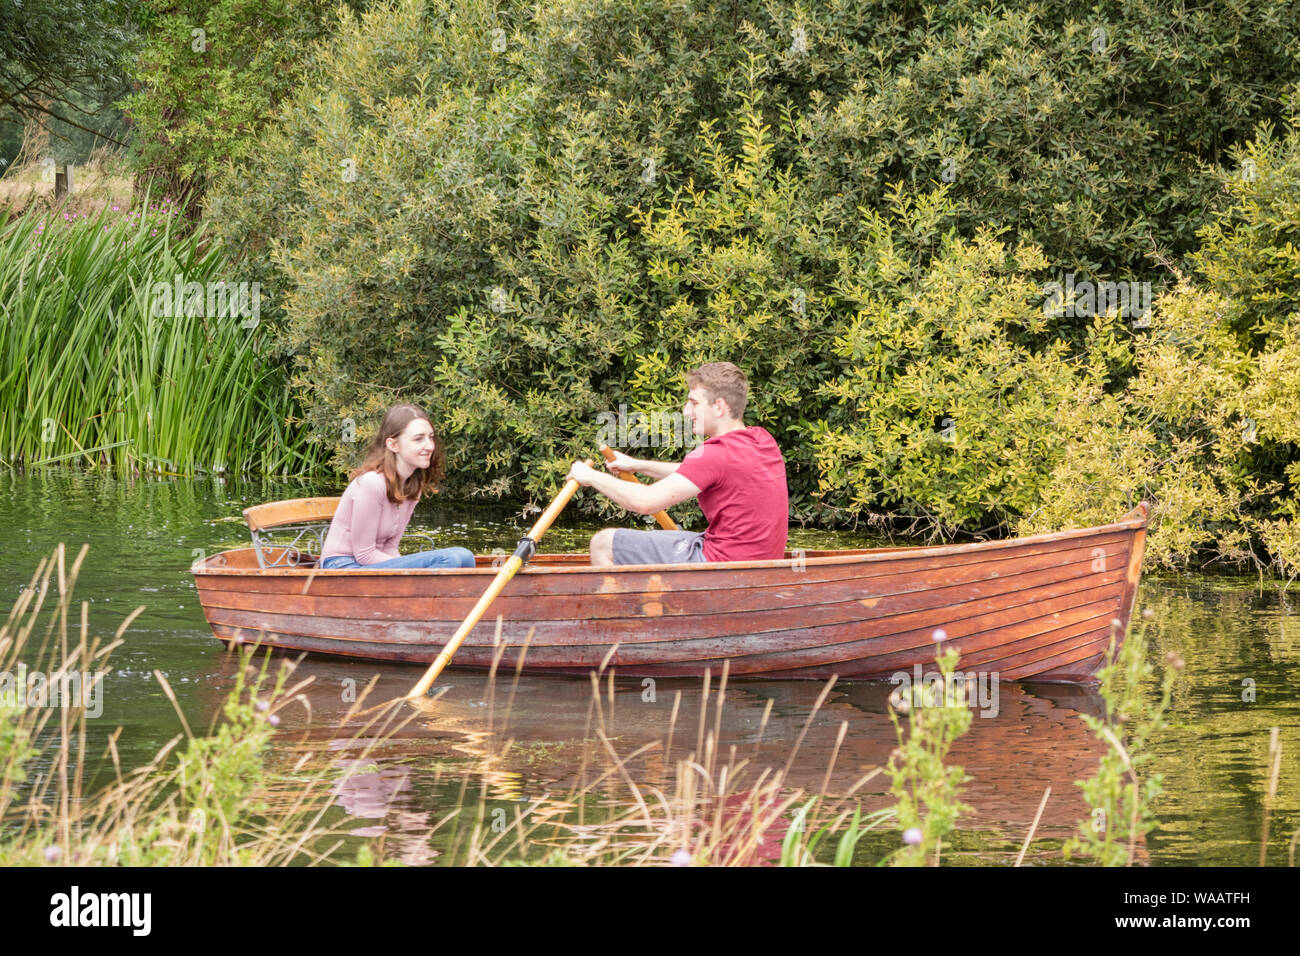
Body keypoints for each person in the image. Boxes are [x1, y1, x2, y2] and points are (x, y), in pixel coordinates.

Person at [567, 362, 788, 566]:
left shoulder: (716, 454)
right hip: (757, 565)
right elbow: (700, 474)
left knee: (603, 542)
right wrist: (637, 465)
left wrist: (591, 476)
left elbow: (645, 502)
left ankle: (619, 609)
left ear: (719, 407)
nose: (686, 411)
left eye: (694, 403)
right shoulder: (761, 439)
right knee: (670, 536)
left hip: (723, 566)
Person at [319, 404, 476, 570]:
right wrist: (409, 571)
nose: (429, 446)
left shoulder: (413, 485)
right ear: (393, 445)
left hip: (371, 565)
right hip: (342, 567)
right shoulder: (372, 483)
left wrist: (406, 574)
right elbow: (364, 554)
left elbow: (390, 547)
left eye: (431, 437)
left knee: (464, 555)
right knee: (447, 559)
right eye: (418, 439)